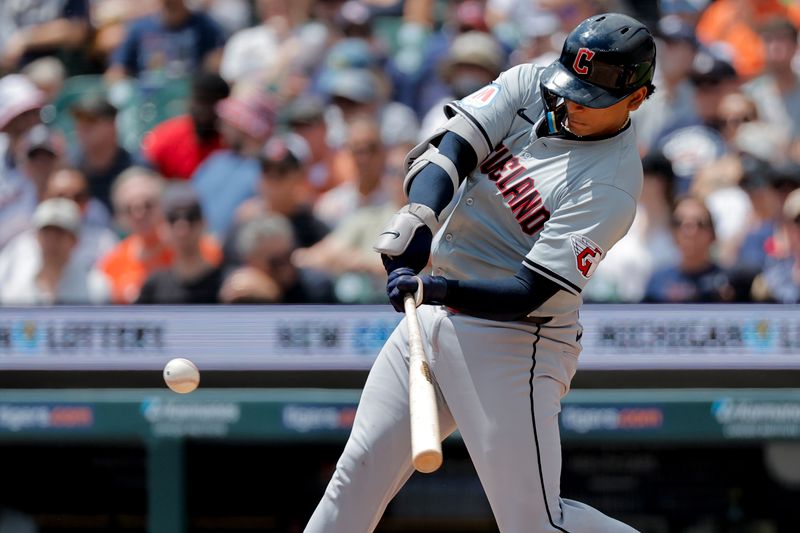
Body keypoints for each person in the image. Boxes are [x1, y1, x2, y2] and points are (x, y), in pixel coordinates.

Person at [306, 13, 654, 532]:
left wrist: (435, 286)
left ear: (636, 99)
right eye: (570, 89)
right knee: (355, 477)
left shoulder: (611, 184)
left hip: (516, 341)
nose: (573, 104)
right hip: (432, 317)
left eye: (591, 98)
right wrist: (420, 214)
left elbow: (528, 292)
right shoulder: (530, 84)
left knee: (534, 524)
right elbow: (455, 146)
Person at [99, 166, 222, 303]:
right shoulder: (112, 264)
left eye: (147, 205)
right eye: (129, 209)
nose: (139, 214)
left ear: (163, 205)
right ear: (119, 217)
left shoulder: (203, 249)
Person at [0, 198, 110, 305]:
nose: (52, 242)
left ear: (75, 240)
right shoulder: (12, 282)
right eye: (46, 233)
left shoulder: (96, 287)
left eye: (59, 234)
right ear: (36, 237)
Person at [219, 214, 335, 304]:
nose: (286, 268)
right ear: (250, 262)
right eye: (276, 262)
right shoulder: (239, 287)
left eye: (288, 256)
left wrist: (274, 297)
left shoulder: (315, 287)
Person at [136, 184, 223, 303]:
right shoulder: (154, 287)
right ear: (162, 227)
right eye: (173, 218)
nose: (182, 228)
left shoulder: (226, 286)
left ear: (204, 223)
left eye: (191, 216)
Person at [139, 71, 229, 180]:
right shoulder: (166, 136)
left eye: (211, 103)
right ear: (189, 101)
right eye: (200, 100)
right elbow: (145, 175)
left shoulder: (232, 142)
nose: (204, 110)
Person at [644, 196, 734, 303]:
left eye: (699, 224)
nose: (689, 231)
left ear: (712, 234)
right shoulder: (658, 281)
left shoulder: (730, 281)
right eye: (679, 223)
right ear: (672, 233)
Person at [69, 92, 133, 211]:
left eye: (90, 120)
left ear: (112, 126)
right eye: (78, 120)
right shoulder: (69, 165)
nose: (83, 127)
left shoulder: (134, 168)